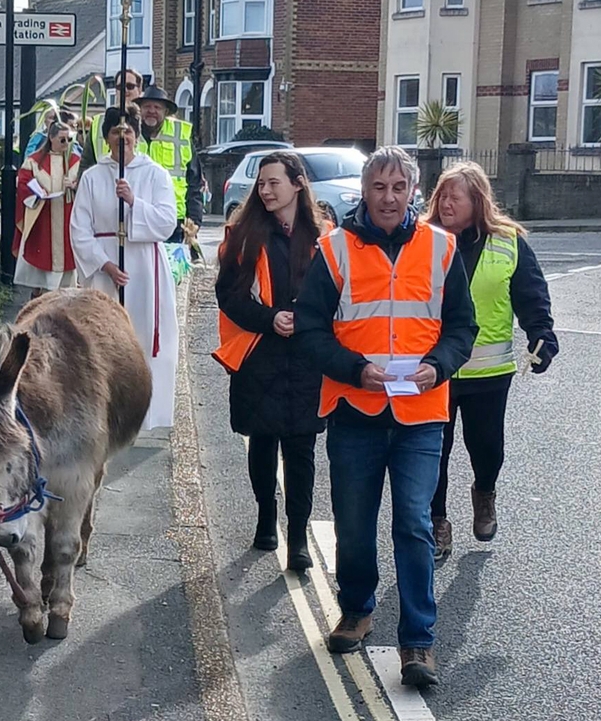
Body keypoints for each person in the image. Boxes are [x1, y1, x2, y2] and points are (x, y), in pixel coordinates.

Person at [295, 146, 478, 687]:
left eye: (400, 188)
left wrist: (437, 366)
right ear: (365, 192)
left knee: (415, 525)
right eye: (380, 187)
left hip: (421, 413)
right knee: (353, 525)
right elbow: (310, 330)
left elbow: (461, 329)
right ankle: (356, 610)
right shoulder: (333, 250)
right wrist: (355, 370)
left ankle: (418, 643)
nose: (390, 197)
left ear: (413, 192)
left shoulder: (442, 248)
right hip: (356, 408)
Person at [425, 162, 558, 560]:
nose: (446, 203)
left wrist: (542, 335)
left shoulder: (508, 242)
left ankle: (484, 492)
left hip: (489, 372)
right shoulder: (424, 240)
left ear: (477, 201)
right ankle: (437, 523)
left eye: (455, 197)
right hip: (434, 370)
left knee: (486, 448)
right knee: (434, 451)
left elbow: (532, 296)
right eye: (441, 196)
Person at [213, 151, 327, 571]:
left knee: (301, 448)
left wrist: (305, 320)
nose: (265, 190)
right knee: (262, 442)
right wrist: (270, 318)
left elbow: (337, 298)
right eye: (261, 184)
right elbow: (229, 297)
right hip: (259, 354)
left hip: (306, 358)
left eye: (273, 182)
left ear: (297, 183)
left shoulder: (324, 236)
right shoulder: (243, 235)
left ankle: (298, 535)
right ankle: (266, 516)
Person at [70, 106, 178, 430]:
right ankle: (106, 411)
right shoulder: (92, 177)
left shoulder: (155, 174)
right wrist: (104, 264)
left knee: (144, 336)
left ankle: (146, 414)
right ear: (106, 138)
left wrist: (133, 202)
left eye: (128, 132)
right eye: (116, 132)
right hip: (105, 271)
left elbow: (166, 222)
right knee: (104, 340)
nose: (122, 138)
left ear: (136, 137)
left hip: (144, 268)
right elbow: (79, 228)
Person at [13, 121, 81, 297]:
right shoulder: (34, 161)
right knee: (42, 266)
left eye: (69, 139)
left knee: (67, 274)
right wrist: (37, 192)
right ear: (51, 138)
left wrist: (74, 186)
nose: (66, 144)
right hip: (43, 217)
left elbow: (87, 187)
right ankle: (39, 295)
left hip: (67, 217)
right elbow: (23, 182)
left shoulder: (75, 161)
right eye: (61, 139)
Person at [132, 86, 203, 248]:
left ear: (166, 112)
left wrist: (194, 219)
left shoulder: (181, 135)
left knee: (170, 271)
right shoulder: (130, 134)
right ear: (139, 110)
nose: (151, 111)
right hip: (136, 216)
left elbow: (194, 181)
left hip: (172, 219)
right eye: (147, 107)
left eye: (157, 107)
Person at [78, 69, 145, 177]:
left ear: (140, 89)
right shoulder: (99, 122)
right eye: (120, 87)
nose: (125, 90)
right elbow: (86, 163)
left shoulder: (148, 119)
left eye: (130, 86)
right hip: (105, 184)